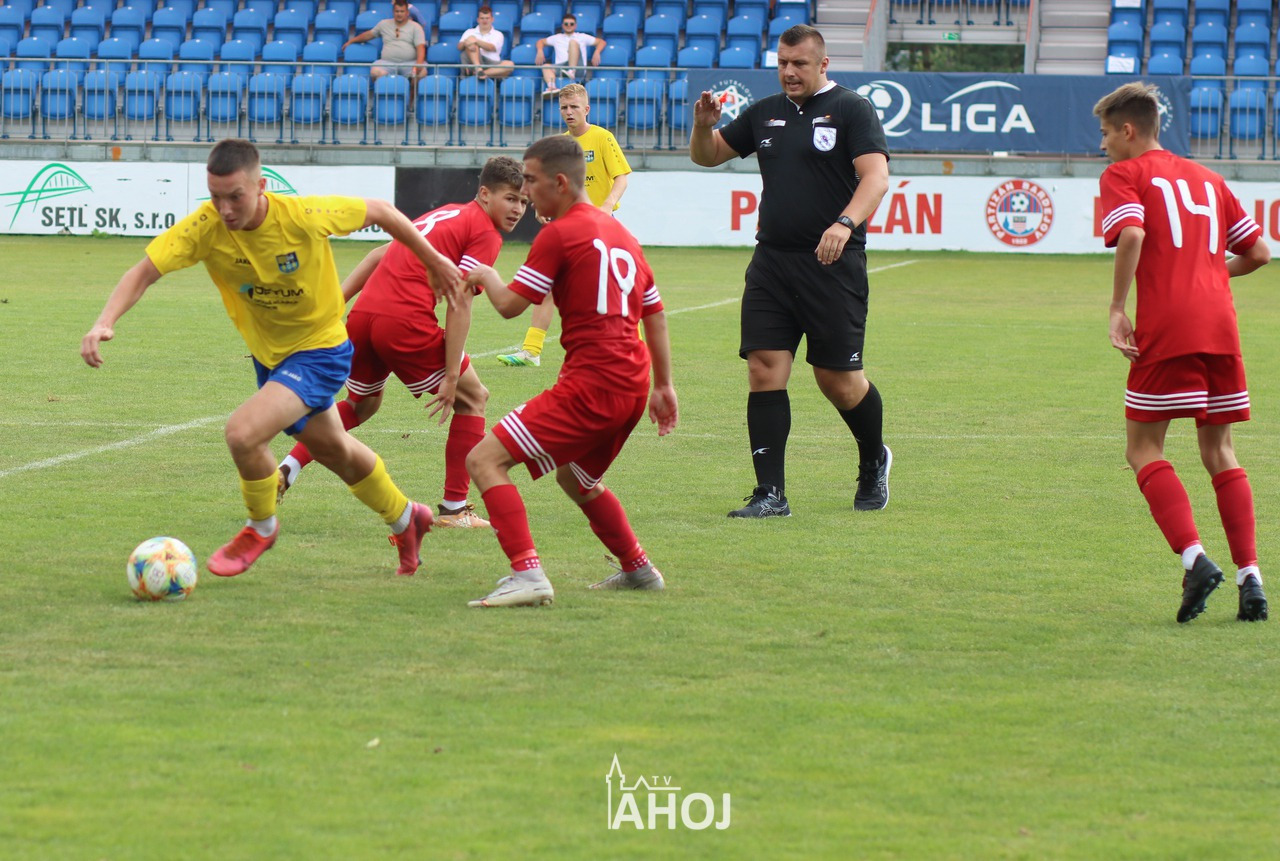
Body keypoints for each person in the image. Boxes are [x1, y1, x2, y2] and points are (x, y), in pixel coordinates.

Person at [80, 139, 463, 578]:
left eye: (235, 196)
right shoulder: (206, 227)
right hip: (271, 360)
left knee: (242, 434)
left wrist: (433, 260)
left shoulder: (301, 215)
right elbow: (144, 271)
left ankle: (260, 528)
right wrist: (104, 321)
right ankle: (406, 517)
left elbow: (382, 211)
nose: (225, 209)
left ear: (261, 186)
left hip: (320, 352)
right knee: (335, 450)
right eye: (216, 197)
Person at [461, 135, 678, 608]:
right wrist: (664, 385)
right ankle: (639, 569)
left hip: (593, 386)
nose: (525, 191)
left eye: (531, 181)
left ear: (560, 182)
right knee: (577, 478)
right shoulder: (623, 236)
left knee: (483, 461)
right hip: (633, 385)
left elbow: (509, 306)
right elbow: (655, 313)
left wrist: (486, 274)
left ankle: (527, 574)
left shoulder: (558, 234)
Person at [688, 25, 892, 518]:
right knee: (763, 369)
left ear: (823, 64)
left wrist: (845, 223)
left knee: (837, 381)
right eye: (782, 62)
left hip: (832, 265)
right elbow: (708, 156)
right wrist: (703, 126)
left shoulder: (852, 109)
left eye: (799, 63)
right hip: (771, 263)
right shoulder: (765, 112)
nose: (788, 71)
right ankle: (770, 494)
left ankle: (873, 459)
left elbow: (876, 177)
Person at [1094, 82, 1271, 623]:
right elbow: (1259, 252)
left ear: (1128, 130)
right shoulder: (1208, 178)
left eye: (1105, 133)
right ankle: (1251, 577)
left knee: (1143, 448)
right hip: (1220, 323)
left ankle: (1195, 559)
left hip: (1168, 326)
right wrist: (1211, 276)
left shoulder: (1125, 174)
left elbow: (1131, 235)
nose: (1102, 144)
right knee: (1220, 452)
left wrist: (1118, 307)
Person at [277, 157, 529, 529]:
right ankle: (455, 509)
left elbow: (377, 255)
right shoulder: (485, 232)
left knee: (361, 406)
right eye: (511, 198)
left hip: (364, 318)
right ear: (485, 193)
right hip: (404, 322)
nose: (518, 209)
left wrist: (332, 310)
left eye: (524, 202)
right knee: (474, 398)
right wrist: (452, 376)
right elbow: (460, 302)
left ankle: (288, 466)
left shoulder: (445, 214)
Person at [498, 82, 631, 369]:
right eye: (564, 108)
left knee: (612, 290)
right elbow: (550, 183)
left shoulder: (602, 138)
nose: (569, 112)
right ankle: (531, 351)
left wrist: (608, 205)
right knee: (547, 286)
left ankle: (634, 347)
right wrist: (541, 206)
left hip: (599, 227)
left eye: (574, 107)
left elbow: (621, 177)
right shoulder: (560, 145)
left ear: (587, 109)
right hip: (568, 226)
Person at [344, 0, 426, 86]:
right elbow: (368, 35)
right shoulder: (384, 24)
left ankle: (411, 94)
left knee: (421, 73)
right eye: (397, 11)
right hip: (387, 63)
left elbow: (420, 47)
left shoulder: (416, 27)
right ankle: (386, 93)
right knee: (376, 72)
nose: (399, 14)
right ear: (393, 12)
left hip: (410, 63)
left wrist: (419, 64)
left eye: (402, 11)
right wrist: (351, 41)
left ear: (407, 13)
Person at [535, 13, 605, 96]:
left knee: (573, 42)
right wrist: (540, 51)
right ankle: (552, 87)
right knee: (546, 66)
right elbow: (541, 41)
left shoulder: (582, 37)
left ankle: (571, 71)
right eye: (566, 24)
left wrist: (597, 52)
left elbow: (601, 42)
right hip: (562, 68)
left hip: (578, 68)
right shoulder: (557, 37)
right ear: (562, 25)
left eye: (571, 24)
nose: (569, 26)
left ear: (575, 25)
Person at [457, 5, 514, 80]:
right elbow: (459, 47)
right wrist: (467, 42)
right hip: (473, 62)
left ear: (492, 19)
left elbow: (491, 47)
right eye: (482, 18)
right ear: (478, 20)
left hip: (492, 64)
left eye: (487, 18)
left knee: (510, 65)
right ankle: (478, 69)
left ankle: (480, 73)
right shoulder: (469, 32)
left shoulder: (498, 34)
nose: (485, 20)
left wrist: (476, 40)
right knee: (471, 45)